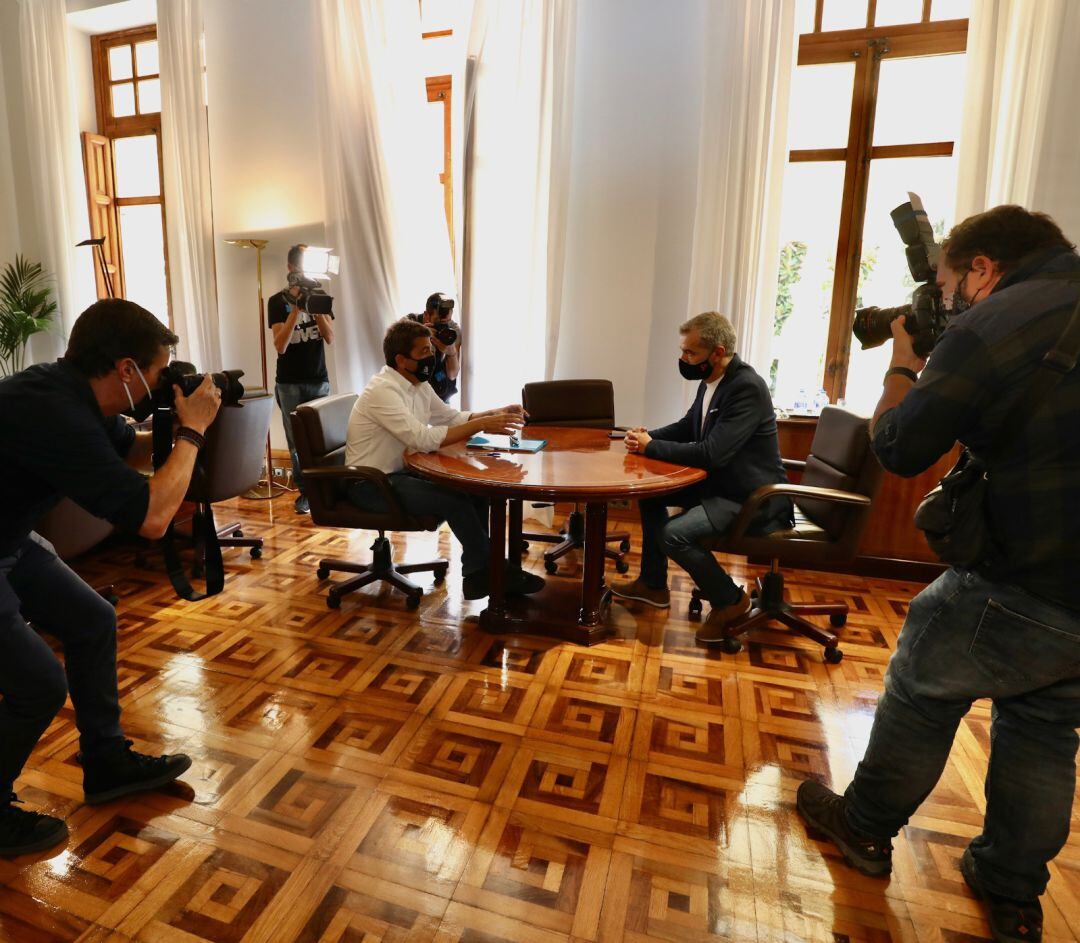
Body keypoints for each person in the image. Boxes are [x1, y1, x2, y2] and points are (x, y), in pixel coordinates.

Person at [795, 205, 1080, 943]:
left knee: (921, 688)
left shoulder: (994, 326)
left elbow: (898, 444)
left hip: (1018, 573)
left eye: (950, 282)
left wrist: (903, 359)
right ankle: (1012, 887)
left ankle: (862, 826)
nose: (946, 298)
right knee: (1045, 728)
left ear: (984, 268)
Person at [0, 298, 222, 857]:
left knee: (92, 619)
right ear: (125, 369)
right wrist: (192, 435)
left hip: (8, 537)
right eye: (154, 371)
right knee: (38, 684)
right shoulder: (53, 411)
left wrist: (190, 426)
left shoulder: (75, 395)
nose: (155, 383)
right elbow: (151, 520)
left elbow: (136, 449)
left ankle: (106, 762)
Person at [611, 311, 793, 641]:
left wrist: (652, 447)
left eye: (690, 353)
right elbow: (687, 427)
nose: (683, 359)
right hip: (721, 484)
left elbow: (712, 452)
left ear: (718, 352)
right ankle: (653, 585)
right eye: (683, 351)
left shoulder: (746, 388)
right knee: (649, 493)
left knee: (674, 534)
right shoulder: (711, 382)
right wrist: (646, 437)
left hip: (750, 496)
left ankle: (730, 600)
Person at [345, 318, 544, 600]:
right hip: (371, 483)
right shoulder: (382, 391)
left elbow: (450, 417)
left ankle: (478, 574)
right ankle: (495, 572)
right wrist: (481, 425)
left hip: (400, 474)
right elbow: (421, 439)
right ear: (401, 359)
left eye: (431, 350)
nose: (432, 358)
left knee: (475, 490)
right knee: (454, 501)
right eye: (424, 352)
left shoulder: (416, 383)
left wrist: (493, 413)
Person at [268, 244, 335, 514]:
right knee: (296, 441)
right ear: (290, 269)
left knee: (321, 439)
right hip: (289, 383)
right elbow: (280, 346)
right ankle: (305, 493)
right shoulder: (276, 302)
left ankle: (325, 490)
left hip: (318, 379)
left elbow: (330, 338)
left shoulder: (322, 297)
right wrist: (295, 309)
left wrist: (314, 307)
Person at [407, 292, 461, 402]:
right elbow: (399, 364)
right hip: (413, 392)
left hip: (440, 393)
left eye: (448, 322)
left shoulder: (453, 331)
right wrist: (420, 336)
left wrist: (451, 354)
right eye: (439, 322)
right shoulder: (411, 324)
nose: (444, 327)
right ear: (426, 315)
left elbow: (452, 375)